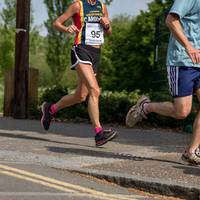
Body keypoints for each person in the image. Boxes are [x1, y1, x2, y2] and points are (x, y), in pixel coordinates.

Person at [126, 0, 200, 165]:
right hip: (182, 61)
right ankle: (146, 107)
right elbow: (170, 20)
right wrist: (189, 46)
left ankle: (191, 151)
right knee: (181, 112)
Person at [41, 0, 117, 147]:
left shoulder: (102, 7)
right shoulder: (78, 5)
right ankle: (99, 133)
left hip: (96, 53)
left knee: (80, 96)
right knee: (95, 90)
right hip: (81, 50)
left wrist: (106, 24)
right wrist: (66, 28)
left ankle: (50, 109)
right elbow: (57, 23)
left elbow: (109, 32)